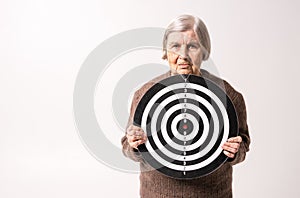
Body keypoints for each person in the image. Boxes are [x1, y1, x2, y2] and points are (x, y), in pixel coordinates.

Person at [121, 14, 250, 198]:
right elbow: (127, 146)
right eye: (175, 46)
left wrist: (236, 150)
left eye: (192, 46)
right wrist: (134, 144)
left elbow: (243, 144)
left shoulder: (228, 96)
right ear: (165, 52)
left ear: (205, 52)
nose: (183, 55)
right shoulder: (145, 94)